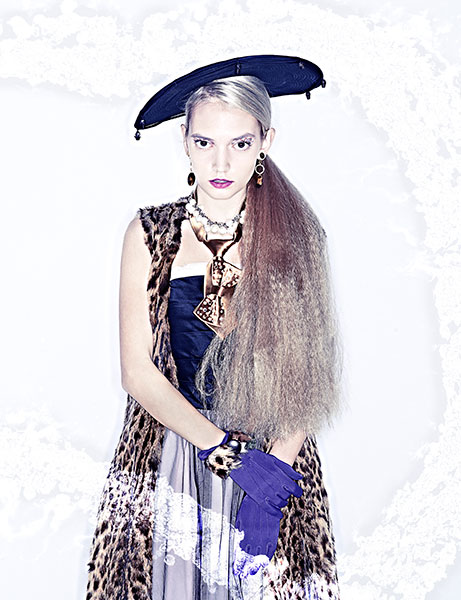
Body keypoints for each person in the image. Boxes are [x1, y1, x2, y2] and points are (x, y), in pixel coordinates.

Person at [86, 55, 343, 600]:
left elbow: (307, 378)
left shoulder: (296, 235)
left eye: (240, 143)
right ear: (184, 141)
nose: (221, 161)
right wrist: (225, 454)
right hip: (173, 456)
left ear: (266, 142)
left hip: (273, 462)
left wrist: (269, 486)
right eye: (205, 142)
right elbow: (138, 372)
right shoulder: (148, 234)